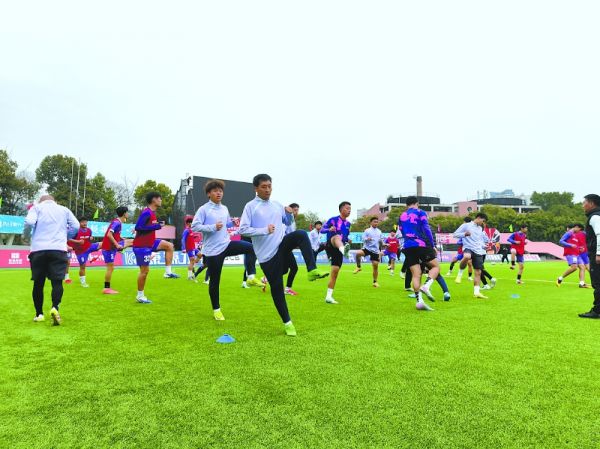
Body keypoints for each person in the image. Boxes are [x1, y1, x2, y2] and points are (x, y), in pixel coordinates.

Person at [239, 174, 329, 336]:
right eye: (264, 187)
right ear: (256, 188)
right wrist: (264, 230)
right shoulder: (250, 206)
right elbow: (243, 230)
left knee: (301, 234)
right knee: (277, 289)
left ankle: (311, 270)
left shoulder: (276, 204)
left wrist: (288, 214)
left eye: (269, 186)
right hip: (267, 257)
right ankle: (287, 323)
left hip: (281, 246)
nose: (268, 190)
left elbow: (287, 222)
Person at [191, 179, 262, 320]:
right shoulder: (204, 209)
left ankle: (251, 277)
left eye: (220, 191)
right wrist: (212, 227)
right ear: (209, 194)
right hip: (213, 251)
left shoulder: (224, 208)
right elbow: (195, 226)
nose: (219, 193)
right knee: (215, 281)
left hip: (226, 244)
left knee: (251, 248)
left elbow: (226, 224)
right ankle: (216, 310)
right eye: (215, 191)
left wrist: (232, 223)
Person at [23, 195, 79, 325]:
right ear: (55, 201)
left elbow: (29, 222)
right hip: (58, 249)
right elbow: (76, 226)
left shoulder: (36, 208)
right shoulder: (64, 209)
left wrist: (25, 236)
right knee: (57, 282)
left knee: (38, 283)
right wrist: (66, 236)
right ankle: (55, 308)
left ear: (40, 201)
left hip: (38, 249)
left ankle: (39, 314)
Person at [133, 191, 179, 304]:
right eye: (159, 198)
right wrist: (157, 226)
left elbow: (148, 226)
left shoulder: (152, 213)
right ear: (154, 199)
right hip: (142, 246)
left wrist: (157, 225)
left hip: (150, 242)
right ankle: (140, 296)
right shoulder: (147, 212)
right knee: (144, 271)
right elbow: (138, 227)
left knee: (169, 246)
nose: (161, 200)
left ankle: (167, 272)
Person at [399, 196, 440, 311]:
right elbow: (426, 228)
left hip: (408, 246)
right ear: (417, 203)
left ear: (407, 204)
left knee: (416, 274)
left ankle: (419, 302)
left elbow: (401, 230)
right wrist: (432, 244)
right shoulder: (420, 212)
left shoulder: (402, 215)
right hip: (420, 244)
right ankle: (426, 286)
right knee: (436, 267)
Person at [453, 213, 490, 299]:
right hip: (468, 247)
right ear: (479, 218)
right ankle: (459, 274)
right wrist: (464, 234)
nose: (483, 223)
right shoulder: (466, 225)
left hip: (478, 250)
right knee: (467, 256)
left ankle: (476, 293)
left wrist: (484, 246)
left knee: (478, 272)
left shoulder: (480, 228)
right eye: (483, 221)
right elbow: (455, 234)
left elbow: (479, 241)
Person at [321, 201, 352, 304]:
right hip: (331, 244)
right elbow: (322, 230)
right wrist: (329, 229)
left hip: (339, 247)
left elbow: (345, 237)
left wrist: (348, 240)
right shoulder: (333, 219)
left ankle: (328, 296)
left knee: (335, 271)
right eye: (347, 208)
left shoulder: (348, 224)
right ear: (341, 209)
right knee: (337, 236)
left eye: (350, 209)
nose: (349, 210)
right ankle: (343, 250)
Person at [101, 206, 133, 294]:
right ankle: (106, 289)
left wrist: (121, 238)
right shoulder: (117, 223)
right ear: (124, 214)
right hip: (108, 249)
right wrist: (117, 245)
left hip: (111, 248)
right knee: (110, 268)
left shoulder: (118, 222)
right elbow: (109, 235)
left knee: (131, 241)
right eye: (127, 212)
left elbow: (115, 234)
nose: (128, 214)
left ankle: (121, 249)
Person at [579, 194, 600, 319]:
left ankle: (597, 311)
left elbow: (599, 234)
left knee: (598, 283)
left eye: (584, 203)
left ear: (591, 203)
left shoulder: (595, 217)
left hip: (597, 255)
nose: (583, 206)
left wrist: (598, 253)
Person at [67, 217, 102, 288]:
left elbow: (89, 239)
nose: (85, 223)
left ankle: (118, 249)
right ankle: (83, 283)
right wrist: (78, 242)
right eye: (83, 222)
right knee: (82, 267)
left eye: (86, 222)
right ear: (79, 223)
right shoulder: (75, 231)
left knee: (103, 244)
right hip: (81, 251)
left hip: (89, 247)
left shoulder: (89, 230)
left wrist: (91, 238)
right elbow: (68, 239)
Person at [556, 224, 589, 288]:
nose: (580, 232)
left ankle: (582, 284)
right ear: (577, 227)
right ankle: (560, 278)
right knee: (574, 267)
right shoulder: (569, 233)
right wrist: (570, 245)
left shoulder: (575, 235)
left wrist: (579, 248)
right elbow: (561, 241)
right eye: (580, 230)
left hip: (577, 254)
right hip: (571, 254)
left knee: (582, 267)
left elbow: (575, 244)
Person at [353, 217, 382, 287]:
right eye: (374, 221)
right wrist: (367, 239)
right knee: (358, 253)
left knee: (375, 266)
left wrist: (384, 244)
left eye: (377, 222)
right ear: (371, 222)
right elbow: (363, 238)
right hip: (367, 248)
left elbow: (380, 240)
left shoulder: (379, 231)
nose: (376, 223)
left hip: (375, 251)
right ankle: (358, 267)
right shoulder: (367, 230)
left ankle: (375, 282)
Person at [284, 203, 300, 296]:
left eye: (297, 210)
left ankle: (266, 278)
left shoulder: (292, 220)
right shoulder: (288, 218)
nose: (296, 212)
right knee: (294, 268)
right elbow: (289, 233)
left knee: (284, 269)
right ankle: (287, 289)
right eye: (295, 210)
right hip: (285, 246)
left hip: (287, 246)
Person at [181, 215, 202, 282]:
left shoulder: (191, 230)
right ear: (188, 223)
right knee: (191, 261)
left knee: (200, 255)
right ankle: (189, 276)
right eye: (191, 223)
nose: (192, 224)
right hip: (189, 248)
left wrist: (195, 237)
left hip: (193, 248)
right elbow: (183, 239)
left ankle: (193, 266)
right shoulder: (186, 231)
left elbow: (190, 237)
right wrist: (183, 248)